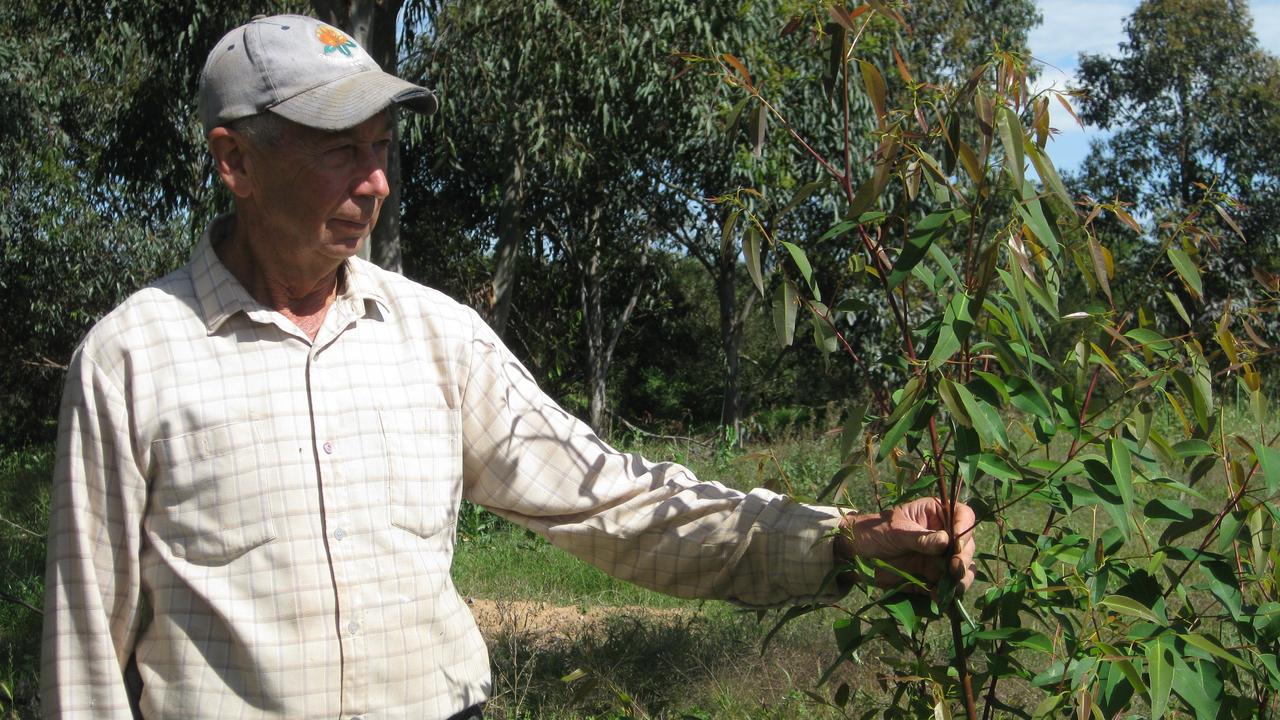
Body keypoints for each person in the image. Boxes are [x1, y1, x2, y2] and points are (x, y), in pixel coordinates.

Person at [40, 13, 976, 720]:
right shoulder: (133, 359)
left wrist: (845, 540)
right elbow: (85, 654)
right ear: (235, 162)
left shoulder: (433, 337)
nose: (375, 182)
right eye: (338, 152)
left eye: (380, 148)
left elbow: (611, 499)